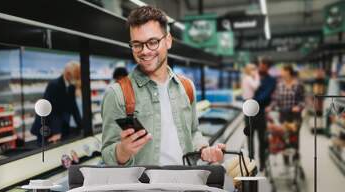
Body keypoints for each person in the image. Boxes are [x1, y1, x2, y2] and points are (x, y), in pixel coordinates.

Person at [101, 6, 225, 166]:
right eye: (137, 44)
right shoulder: (118, 94)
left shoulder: (186, 87)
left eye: (152, 42)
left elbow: (193, 132)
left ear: (168, 41)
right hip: (143, 189)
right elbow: (107, 153)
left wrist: (203, 148)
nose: (144, 51)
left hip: (187, 184)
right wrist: (122, 151)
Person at [31, 61, 83, 145]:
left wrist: (81, 126)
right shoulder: (54, 85)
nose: (77, 80)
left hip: (60, 126)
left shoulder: (71, 86)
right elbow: (52, 110)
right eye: (76, 77)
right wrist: (56, 132)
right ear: (68, 74)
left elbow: (74, 107)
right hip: (47, 126)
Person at [248, 57, 277, 171]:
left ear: (267, 67)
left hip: (261, 114)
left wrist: (251, 99)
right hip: (249, 114)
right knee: (250, 140)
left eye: (263, 65)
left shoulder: (271, 81)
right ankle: (251, 164)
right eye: (259, 65)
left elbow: (264, 96)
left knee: (262, 140)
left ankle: (263, 163)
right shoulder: (252, 77)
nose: (260, 67)